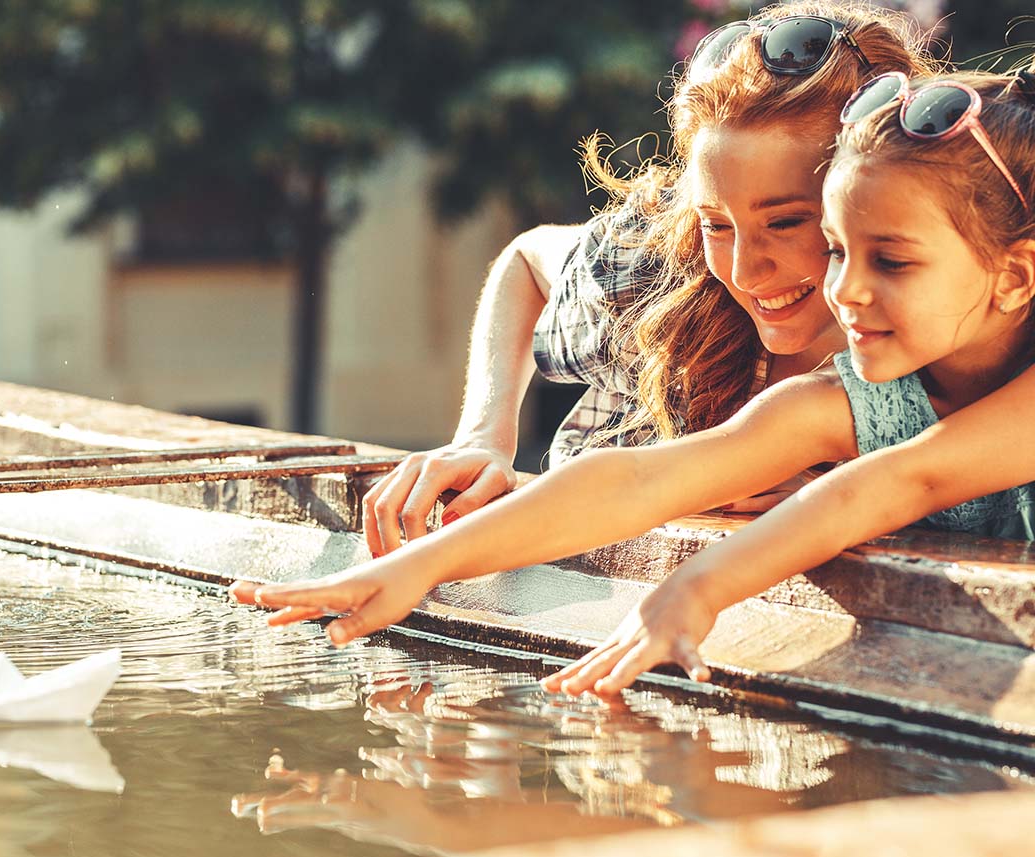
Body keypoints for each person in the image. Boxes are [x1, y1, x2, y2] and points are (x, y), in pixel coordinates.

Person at [231, 66, 1035, 693]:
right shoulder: (861, 395)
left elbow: (901, 479)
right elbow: (643, 480)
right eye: (837, 248)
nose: (844, 290)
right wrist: (417, 566)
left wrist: (696, 590)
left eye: (889, 260)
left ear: (1015, 276)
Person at [361, 3, 937, 556]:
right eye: (717, 223)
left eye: (784, 221)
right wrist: (483, 436)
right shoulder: (657, 274)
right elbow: (525, 262)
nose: (742, 270)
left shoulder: (962, 335)